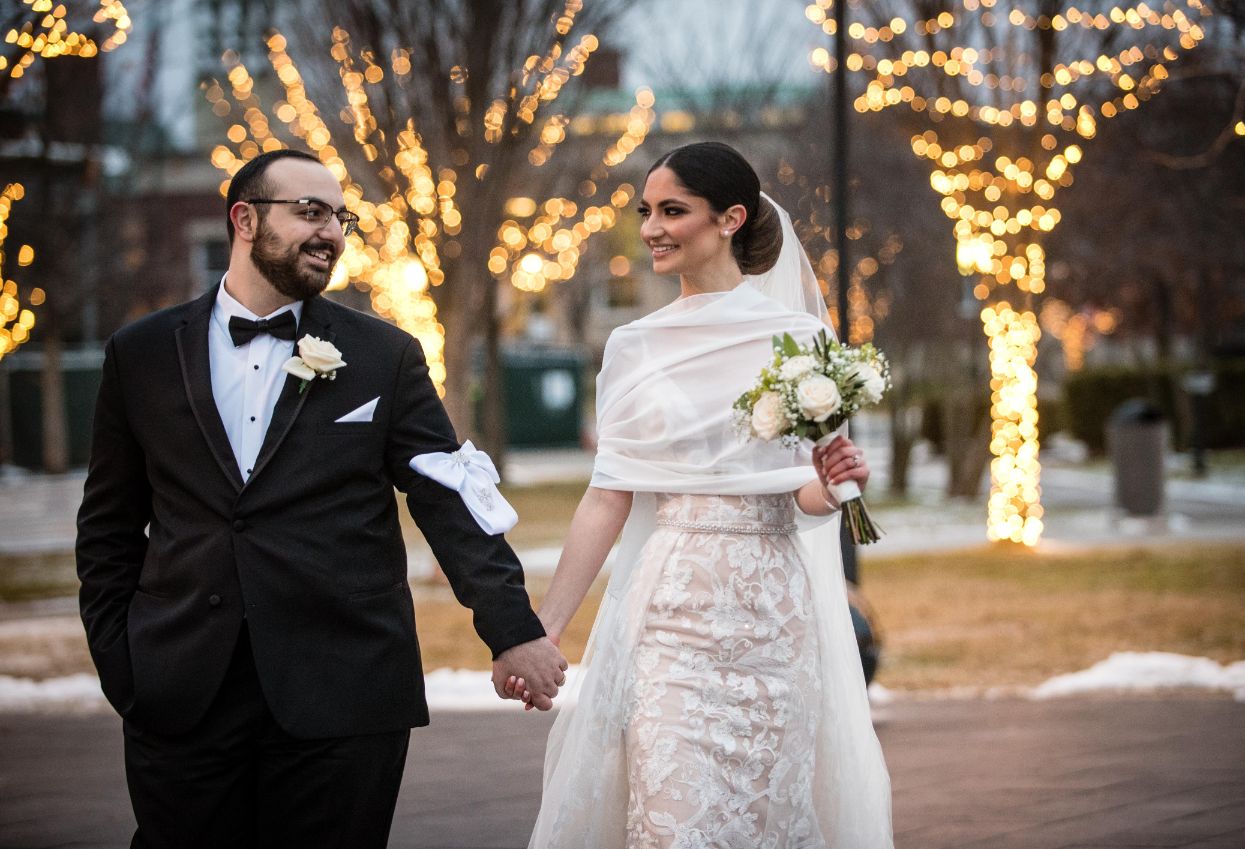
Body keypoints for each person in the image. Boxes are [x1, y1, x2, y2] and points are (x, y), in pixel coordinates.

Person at [75, 148, 567, 849]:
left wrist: (512, 627)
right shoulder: (141, 352)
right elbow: (107, 529)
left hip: (344, 690)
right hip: (181, 691)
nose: (331, 231)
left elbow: (447, 500)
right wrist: (124, 664)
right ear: (244, 219)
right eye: (309, 211)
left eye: (340, 216)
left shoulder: (383, 355)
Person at [512, 142, 893, 847]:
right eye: (646, 211)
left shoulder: (802, 339)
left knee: (765, 820)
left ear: (730, 218)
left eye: (672, 210)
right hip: (671, 616)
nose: (651, 227)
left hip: (774, 618)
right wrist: (547, 629)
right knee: (672, 821)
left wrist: (839, 485)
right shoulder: (632, 345)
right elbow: (607, 497)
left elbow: (800, 498)